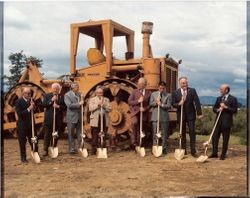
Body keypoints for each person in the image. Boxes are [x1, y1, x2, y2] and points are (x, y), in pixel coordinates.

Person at [172, 76, 202, 157]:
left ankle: (193, 151)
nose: (185, 84)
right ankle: (183, 150)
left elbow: (197, 102)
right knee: (182, 133)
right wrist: (179, 103)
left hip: (191, 115)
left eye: (186, 82)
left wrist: (199, 113)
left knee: (192, 132)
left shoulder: (192, 90)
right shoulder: (175, 92)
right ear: (180, 84)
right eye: (183, 83)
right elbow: (173, 104)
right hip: (181, 115)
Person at [209, 84, 238, 160]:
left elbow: (235, 110)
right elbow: (214, 108)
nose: (220, 91)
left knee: (225, 139)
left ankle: (223, 155)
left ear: (226, 90)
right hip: (218, 122)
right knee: (214, 137)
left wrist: (226, 107)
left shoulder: (233, 99)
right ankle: (214, 153)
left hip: (227, 122)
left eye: (221, 89)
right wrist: (217, 110)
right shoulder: (219, 98)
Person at [41, 83, 66, 156]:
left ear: (59, 89)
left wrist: (58, 106)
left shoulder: (62, 96)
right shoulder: (47, 96)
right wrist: (51, 100)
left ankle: (53, 147)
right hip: (49, 119)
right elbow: (44, 105)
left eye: (57, 89)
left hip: (58, 119)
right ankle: (45, 150)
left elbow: (65, 107)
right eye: (54, 88)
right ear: (52, 89)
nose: (55, 90)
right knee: (47, 135)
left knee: (56, 134)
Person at [15, 87, 39, 163]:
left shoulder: (31, 100)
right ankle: (23, 158)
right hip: (22, 126)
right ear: (23, 93)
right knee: (22, 142)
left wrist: (34, 107)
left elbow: (34, 111)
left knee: (34, 141)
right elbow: (20, 114)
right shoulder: (18, 102)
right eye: (27, 93)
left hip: (31, 125)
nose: (28, 94)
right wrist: (29, 108)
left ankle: (35, 154)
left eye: (29, 93)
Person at [128, 77, 151, 150]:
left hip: (143, 112)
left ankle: (141, 143)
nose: (139, 85)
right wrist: (138, 101)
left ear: (145, 85)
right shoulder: (134, 92)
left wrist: (144, 109)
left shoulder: (149, 93)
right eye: (139, 83)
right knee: (135, 123)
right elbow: (130, 101)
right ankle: (134, 141)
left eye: (141, 84)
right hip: (135, 112)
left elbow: (150, 104)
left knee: (142, 127)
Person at [150, 81, 172, 155]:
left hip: (164, 117)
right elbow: (151, 104)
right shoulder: (153, 94)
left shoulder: (168, 95)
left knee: (164, 134)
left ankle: (163, 148)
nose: (161, 90)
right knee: (155, 133)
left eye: (163, 88)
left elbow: (169, 106)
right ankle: (155, 147)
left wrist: (161, 104)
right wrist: (156, 103)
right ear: (158, 87)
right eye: (160, 88)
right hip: (155, 117)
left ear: (165, 88)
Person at [88, 86, 111, 155]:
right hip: (95, 119)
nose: (100, 94)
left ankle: (103, 147)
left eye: (101, 93)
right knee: (94, 134)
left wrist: (103, 106)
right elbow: (90, 109)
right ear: (96, 93)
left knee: (103, 134)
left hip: (104, 119)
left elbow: (109, 109)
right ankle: (94, 149)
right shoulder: (92, 100)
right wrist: (97, 105)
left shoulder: (106, 100)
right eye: (98, 93)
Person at [64, 82, 84, 154]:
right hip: (71, 118)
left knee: (80, 133)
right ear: (73, 88)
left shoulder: (79, 94)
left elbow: (82, 103)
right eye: (77, 87)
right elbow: (69, 105)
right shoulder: (67, 95)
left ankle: (80, 147)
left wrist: (82, 99)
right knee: (71, 134)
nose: (78, 88)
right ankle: (71, 149)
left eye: (78, 87)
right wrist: (79, 104)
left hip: (79, 117)